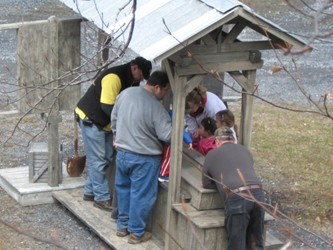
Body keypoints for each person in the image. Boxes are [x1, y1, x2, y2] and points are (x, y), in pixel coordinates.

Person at [75, 57, 152, 211]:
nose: (142, 79)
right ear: (134, 68)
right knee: (97, 159)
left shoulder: (132, 81)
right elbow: (107, 107)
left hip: (106, 123)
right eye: (141, 75)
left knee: (107, 156)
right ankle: (101, 198)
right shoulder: (114, 77)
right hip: (91, 119)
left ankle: (89, 191)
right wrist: (122, 128)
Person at [111, 70, 172, 244]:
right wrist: (177, 126)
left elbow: (114, 118)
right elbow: (167, 135)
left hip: (122, 153)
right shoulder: (156, 107)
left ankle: (122, 226)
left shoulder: (125, 93)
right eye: (166, 90)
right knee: (141, 195)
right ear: (157, 87)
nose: (165, 94)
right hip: (144, 157)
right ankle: (137, 232)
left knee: (123, 189)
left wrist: (118, 135)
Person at [202, 126, 265, 250]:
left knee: (237, 243)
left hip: (238, 197)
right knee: (255, 243)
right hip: (258, 194)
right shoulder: (245, 150)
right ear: (233, 139)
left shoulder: (212, 154)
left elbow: (207, 183)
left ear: (217, 141)